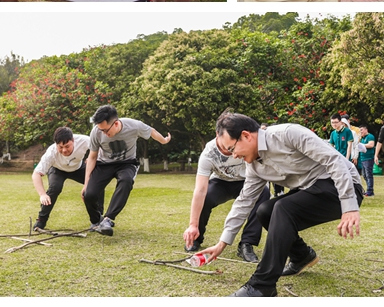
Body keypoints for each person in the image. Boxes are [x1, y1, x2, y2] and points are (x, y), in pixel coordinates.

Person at [197, 112, 362, 297]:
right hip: (309, 189)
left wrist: (350, 206)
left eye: (232, 148)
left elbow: (334, 160)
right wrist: (222, 243)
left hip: (342, 188)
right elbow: (244, 202)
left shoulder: (289, 134)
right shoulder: (254, 167)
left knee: (283, 208)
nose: (234, 156)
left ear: (246, 135)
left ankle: (262, 286)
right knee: (265, 210)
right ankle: (302, 256)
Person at [82, 105, 171, 236]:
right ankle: (96, 221)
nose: (104, 134)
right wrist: (86, 184)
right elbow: (92, 156)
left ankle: (108, 219)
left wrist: (163, 140)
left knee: (126, 180)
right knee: (88, 195)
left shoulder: (134, 125)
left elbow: (151, 131)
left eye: (106, 130)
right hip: (104, 164)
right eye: (101, 130)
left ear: (116, 123)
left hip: (126, 163)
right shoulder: (96, 132)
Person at [183, 134, 270, 262]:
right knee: (205, 197)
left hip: (246, 181)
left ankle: (247, 244)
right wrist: (192, 224)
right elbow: (200, 190)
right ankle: (195, 237)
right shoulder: (209, 153)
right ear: (218, 134)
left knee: (263, 193)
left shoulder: (245, 144)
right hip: (221, 182)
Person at [32, 126, 103, 231]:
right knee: (55, 188)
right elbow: (36, 174)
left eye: (67, 146)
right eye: (60, 147)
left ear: (73, 140)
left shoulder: (84, 140)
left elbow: (102, 147)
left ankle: (98, 219)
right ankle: (41, 220)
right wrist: (42, 194)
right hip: (57, 170)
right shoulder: (51, 152)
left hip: (78, 168)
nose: (64, 150)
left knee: (96, 184)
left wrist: (93, 157)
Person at [358, 124, 376, 197]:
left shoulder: (370, 136)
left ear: (366, 129)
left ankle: (370, 190)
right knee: (365, 175)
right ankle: (369, 189)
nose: (360, 132)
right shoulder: (362, 138)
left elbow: (371, 145)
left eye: (361, 130)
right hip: (362, 158)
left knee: (369, 175)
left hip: (368, 158)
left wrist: (360, 145)